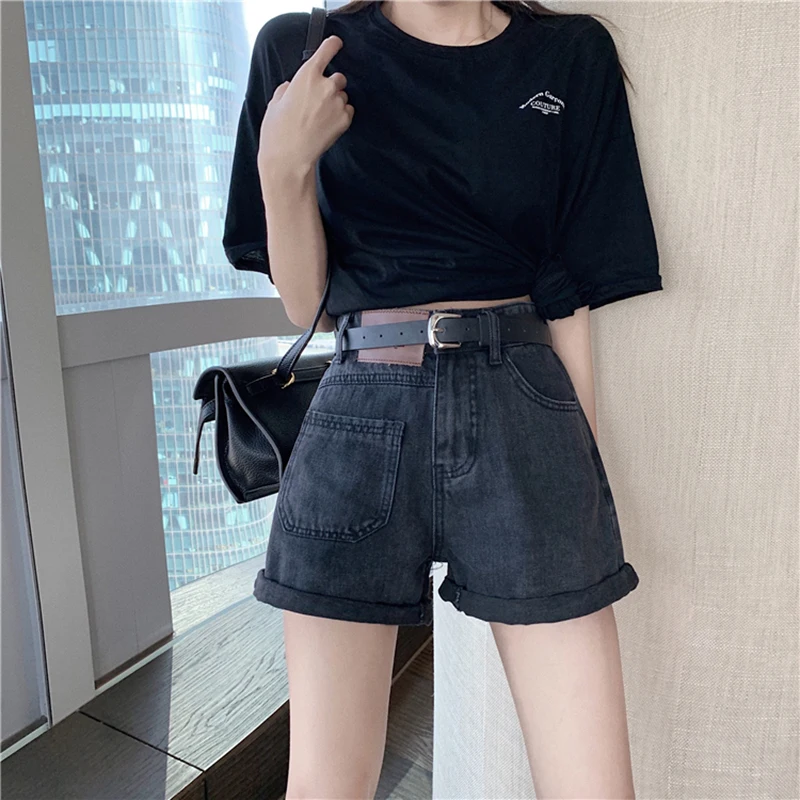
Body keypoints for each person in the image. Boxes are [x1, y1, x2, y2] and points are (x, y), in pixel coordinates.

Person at [224, 1, 663, 797]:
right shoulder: (301, 48)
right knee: (325, 784)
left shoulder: (571, 54)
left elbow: (570, 292)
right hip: (358, 414)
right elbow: (305, 304)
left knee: (595, 787)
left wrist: (580, 477)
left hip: (522, 403)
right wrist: (281, 168)